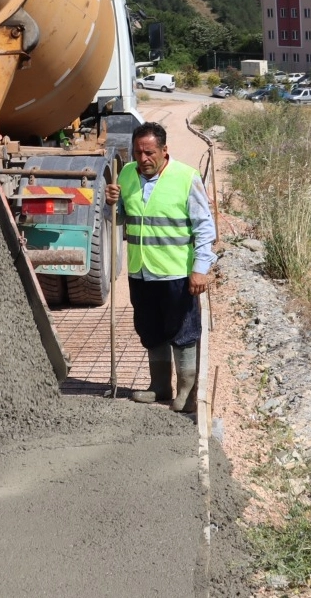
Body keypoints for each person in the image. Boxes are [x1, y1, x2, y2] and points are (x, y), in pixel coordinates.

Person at [104, 121, 215, 413]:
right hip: (141, 271)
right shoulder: (126, 174)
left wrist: (201, 268)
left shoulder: (186, 177)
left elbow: (205, 227)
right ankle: (160, 386)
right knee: (150, 329)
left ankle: (187, 392)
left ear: (165, 150)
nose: (143, 159)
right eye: (138, 152)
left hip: (176, 272)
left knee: (183, 331)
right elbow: (119, 219)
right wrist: (111, 203)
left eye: (149, 152)